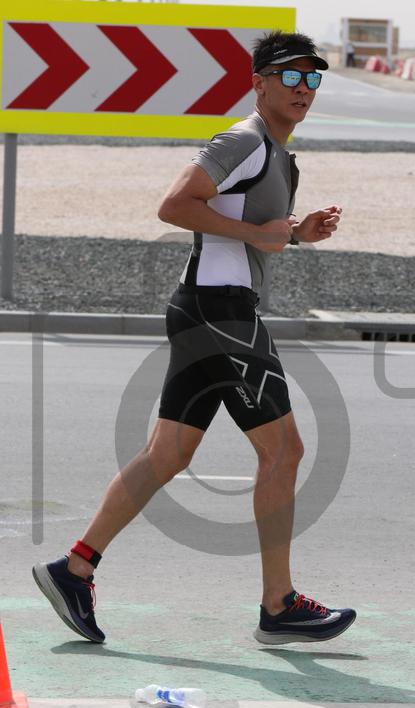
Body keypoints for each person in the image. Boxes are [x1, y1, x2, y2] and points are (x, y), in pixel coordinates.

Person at [32, 30, 357, 646]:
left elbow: (244, 224)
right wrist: (263, 234)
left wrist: (295, 233)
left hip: (206, 308)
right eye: (289, 76)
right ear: (259, 83)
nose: (303, 89)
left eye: (312, 78)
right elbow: (175, 205)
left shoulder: (279, 155)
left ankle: (73, 569)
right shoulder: (244, 140)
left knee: (168, 455)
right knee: (284, 452)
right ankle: (279, 605)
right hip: (220, 311)